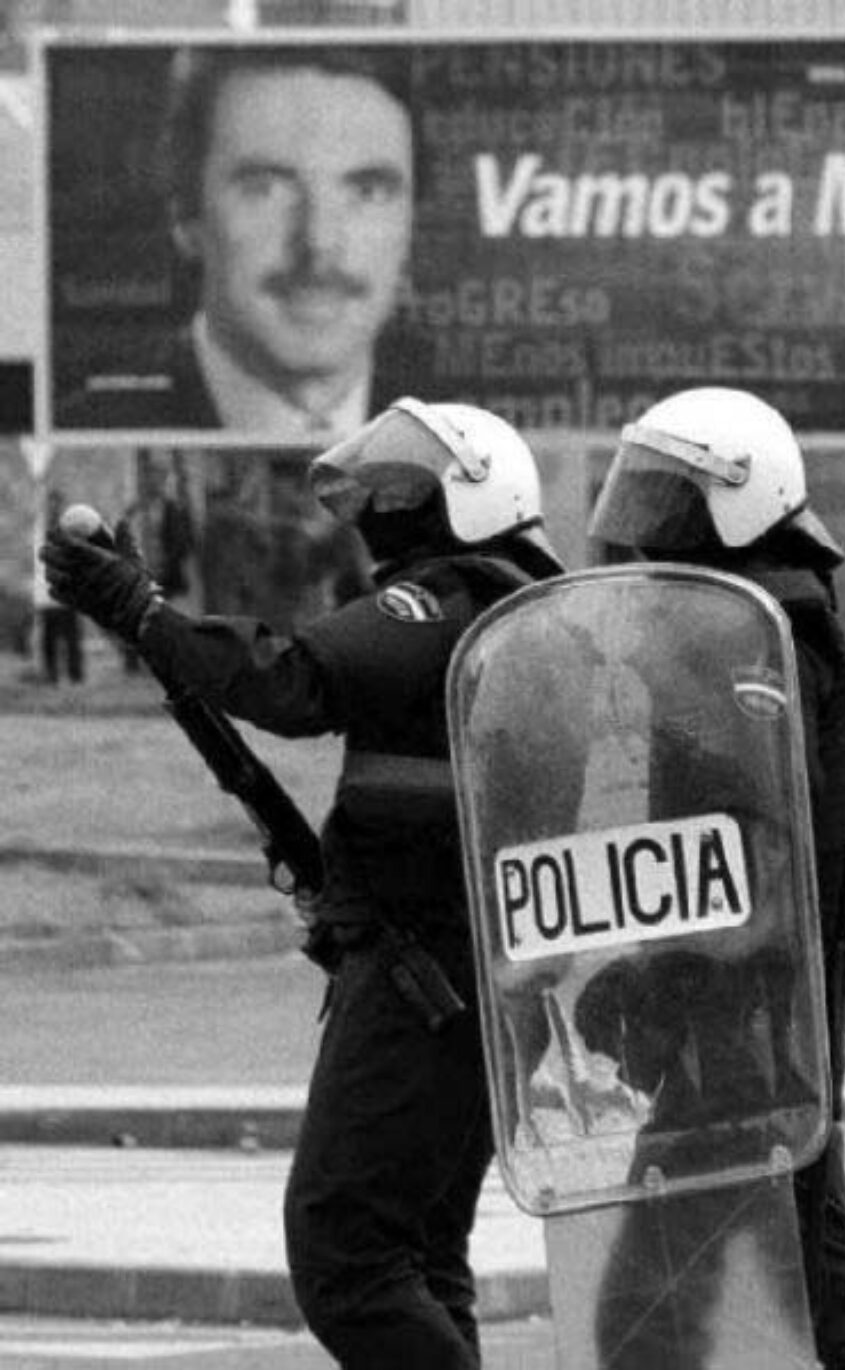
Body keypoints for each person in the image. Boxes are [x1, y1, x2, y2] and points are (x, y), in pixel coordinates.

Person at [39, 396, 566, 1369]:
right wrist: (144, 612)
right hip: (491, 980)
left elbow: (288, 683)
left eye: (403, 487)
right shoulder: (530, 614)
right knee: (418, 1253)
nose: (379, 505)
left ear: (470, 497)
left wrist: (136, 606)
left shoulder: (444, 601)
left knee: (344, 1254)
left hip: (425, 984)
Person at [588, 386, 845, 1369]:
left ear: (742, 500)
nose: (644, 528)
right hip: (741, 1006)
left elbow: (757, 854)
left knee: (676, 1296)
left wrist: (665, 963)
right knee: (749, 1277)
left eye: (670, 501)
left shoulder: (765, 631)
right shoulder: (720, 627)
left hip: (761, 1012)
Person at [60, 46, 429, 438]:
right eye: (265, 188)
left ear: (410, 220)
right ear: (186, 216)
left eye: (368, 191)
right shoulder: (84, 426)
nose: (319, 243)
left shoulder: (474, 441)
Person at [35, 488, 84, 685]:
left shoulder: (70, 529)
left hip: (67, 587)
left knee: (71, 635)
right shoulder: (40, 528)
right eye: (51, 503)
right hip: (46, 589)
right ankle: (51, 674)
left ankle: (75, 675)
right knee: (49, 635)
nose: (54, 507)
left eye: (57, 503)